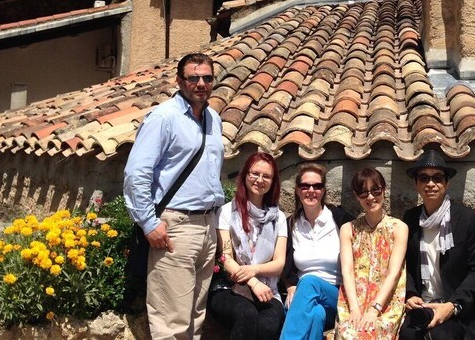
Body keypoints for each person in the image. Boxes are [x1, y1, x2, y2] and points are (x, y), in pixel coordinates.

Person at [123, 52, 225, 340]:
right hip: (175, 226)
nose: (201, 83)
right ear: (180, 80)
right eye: (193, 78)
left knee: (195, 317)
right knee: (172, 321)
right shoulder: (163, 117)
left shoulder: (213, 120)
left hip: (206, 226)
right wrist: (149, 223)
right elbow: (136, 174)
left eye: (207, 77)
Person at [400, 150, 475, 340]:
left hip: (458, 311)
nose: (430, 184)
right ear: (416, 184)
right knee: (406, 335)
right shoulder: (411, 219)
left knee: (440, 337)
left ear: (446, 183)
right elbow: (405, 264)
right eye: (424, 178)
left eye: (437, 178)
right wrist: (410, 293)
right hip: (422, 308)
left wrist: (452, 306)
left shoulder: (468, 220)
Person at [208, 151, 288, 340]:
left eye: (266, 176)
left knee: (267, 326)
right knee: (247, 314)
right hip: (229, 288)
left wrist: (254, 270)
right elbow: (225, 256)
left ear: (273, 182)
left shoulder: (279, 218)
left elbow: (279, 263)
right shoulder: (227, 212)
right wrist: (253, 281)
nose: (260, 180)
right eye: (255, 174)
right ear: (245, 176)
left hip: (268, 291)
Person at [280, 163, 353, 340]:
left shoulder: (341, 220)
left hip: (336, 295)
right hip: (306, 298)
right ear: (297, 190)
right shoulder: (290, 224)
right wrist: (290, 285)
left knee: (310, 282)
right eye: (305, 186)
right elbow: (284, 262)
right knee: (316, 314)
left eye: (317, 186)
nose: (311, 190)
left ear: (323, 190)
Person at [334, 168, 408, 340]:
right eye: (363, 192)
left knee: (370, 333)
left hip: (387, 302)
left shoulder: (399, 228)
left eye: (375, 190)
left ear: (384, 190)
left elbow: (393, 273)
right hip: (354, 300)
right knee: (349, 333)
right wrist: (354, 309)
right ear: (356, 195)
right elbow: (347, 271)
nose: (370, 197)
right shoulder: (348, 229)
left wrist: (374, 309)